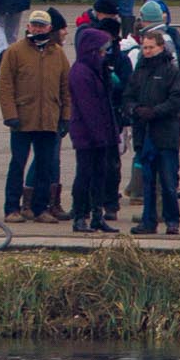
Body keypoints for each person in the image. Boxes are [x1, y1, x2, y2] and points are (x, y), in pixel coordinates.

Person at [0, 11, 71, 223]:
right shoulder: (14, 51)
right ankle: (12, 208)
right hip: (22, 119)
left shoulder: (58, 54)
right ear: (28, 27)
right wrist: (10, 115)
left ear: (49, 28)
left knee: (44, 167)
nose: (37, 29)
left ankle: (41, 209)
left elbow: (66, 88)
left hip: (49, 120)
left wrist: (65, 117)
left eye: (42, 26)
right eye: (34, 25)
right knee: (17, 164)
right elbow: (5, 86)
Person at [126, 28, 180, 235]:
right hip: (145, 134)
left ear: (161, 47)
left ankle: (172, 220)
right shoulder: (139, 71)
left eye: (151, 47)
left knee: (168, 182)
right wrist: (136, 110)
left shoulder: (171, 71)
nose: (147, 51)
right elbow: (128, 96)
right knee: (148, 182)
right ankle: (148, 221)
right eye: (145, 47)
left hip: (166, 134)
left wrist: (155, 112)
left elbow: (176, 99)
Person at [67, 26, 122, 233]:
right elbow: (88, 106)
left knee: (100, 174)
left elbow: (106, 98)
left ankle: (97, 215)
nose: (104, 54)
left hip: (102, 132)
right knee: (85, 174)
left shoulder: (97, 70)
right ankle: (80, 215)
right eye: (101, 50)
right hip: (87, 134)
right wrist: (100, 135)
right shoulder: (80, 72)